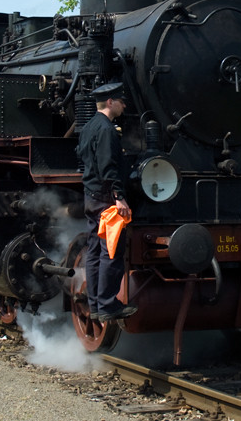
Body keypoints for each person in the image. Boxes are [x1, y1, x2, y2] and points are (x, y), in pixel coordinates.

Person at [76, 82, 137, 322]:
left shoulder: (89, 127)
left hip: (91, 196)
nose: (124, 105)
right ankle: (108, 305)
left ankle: (96, 304)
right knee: (110, 252)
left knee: (94, 251)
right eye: (121, 101)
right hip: (106, 201)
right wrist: (119, 197)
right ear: (110, 102)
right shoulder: (107, 130)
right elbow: (108, 167)